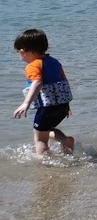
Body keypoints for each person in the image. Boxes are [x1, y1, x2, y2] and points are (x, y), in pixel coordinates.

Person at [12, 29, 74, 157]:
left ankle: (45, 163)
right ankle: (65, 140)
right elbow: (64, 82)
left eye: (19, 52)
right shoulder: (55, 62)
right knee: (46, 129)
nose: (19, 56)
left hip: (47, 108)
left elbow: (37, 82)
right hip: (61, 106)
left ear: (24, 51)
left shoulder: (33, 66)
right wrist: (67, 105)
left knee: (40, 138)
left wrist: (26, 103)